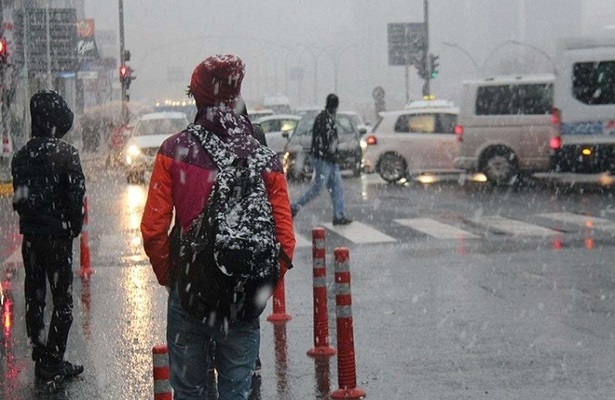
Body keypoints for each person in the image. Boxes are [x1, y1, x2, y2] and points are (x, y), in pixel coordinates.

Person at [141, 54, 295, 400]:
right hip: (242, 299)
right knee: (236, 392)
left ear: (196, 97)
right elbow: (285, 242)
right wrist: (256, 285)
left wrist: (175, 278)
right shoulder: (265, 159)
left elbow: (153, 230)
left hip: (190, 294)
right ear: (237, 95)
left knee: (190, 392)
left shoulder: (173, 151)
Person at [11, 89, 86, 381]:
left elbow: (18, 201)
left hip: (31, 237)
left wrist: (33, 219)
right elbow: (75, 199)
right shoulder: (66, 155)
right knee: (63, 301)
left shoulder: (20, 157)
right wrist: (71, 227)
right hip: (58, 238)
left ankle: (41, 354)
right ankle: (54, 359)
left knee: (35, 296)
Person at [290, 93, 352, 225]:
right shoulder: (326, 120)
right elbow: (326, 142)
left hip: (325, 159)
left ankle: (339, 215)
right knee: (319, 189)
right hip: (324, 160)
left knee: (336, 188)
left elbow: (323, 141)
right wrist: (331, 155)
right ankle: (295, 206)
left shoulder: (324, 118)